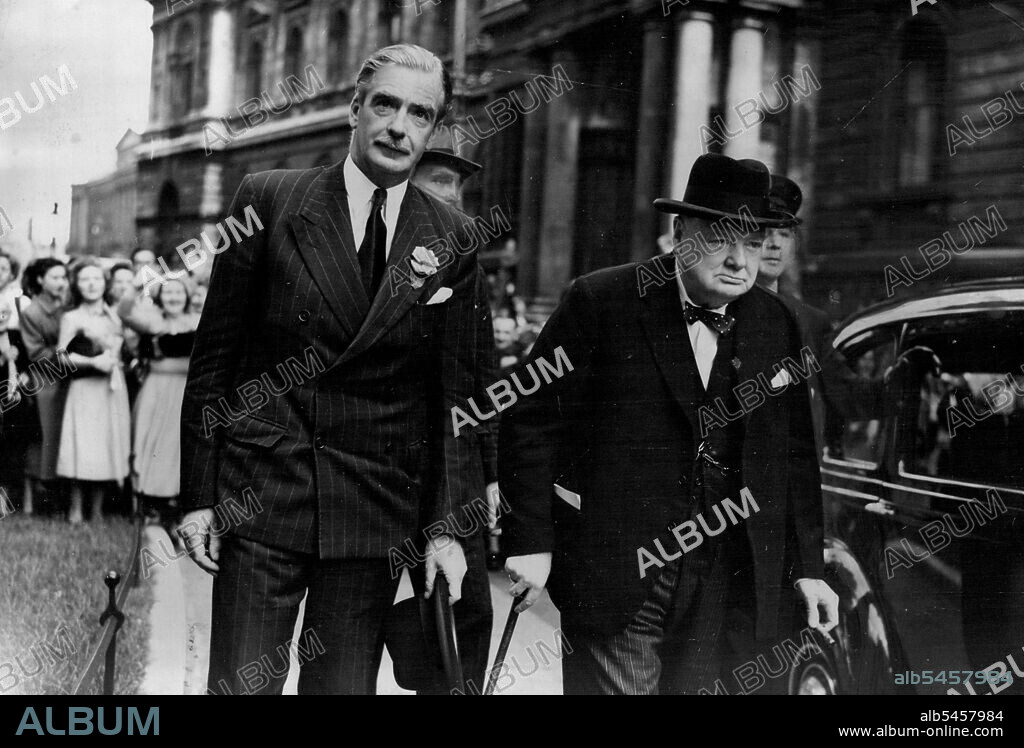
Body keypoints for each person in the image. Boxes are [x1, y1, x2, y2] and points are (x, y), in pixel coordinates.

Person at [179, 43, 488, 695]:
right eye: (385, 105)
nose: (399, 127)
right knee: (242, 684)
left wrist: (446, 528)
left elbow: (457, 403)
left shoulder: (454, 237)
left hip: (374, 512)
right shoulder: (270, 198)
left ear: (435, 128)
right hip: (263, 492)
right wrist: (201, 498)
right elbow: (215, 359)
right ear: (355, 108)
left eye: (420, 114)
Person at [499, 153, 839, 694]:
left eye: (753, 243)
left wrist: (808, 567)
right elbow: (529, 422)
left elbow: (794, 455)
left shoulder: (777, 324)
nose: (737, 259)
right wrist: (530, 540)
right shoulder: (601, 300)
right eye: (721, 237)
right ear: (680, 232)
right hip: (619, 571)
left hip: (727, 579)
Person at [409, 138, 495, 693]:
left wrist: (490, 473)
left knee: (465, 622)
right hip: (380, 471)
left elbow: (484, 380)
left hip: (455, 466)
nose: (452, 200)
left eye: (457, 188)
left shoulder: (469, 273)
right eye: (438, 183)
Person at [119, 276, 199, 536]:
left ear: (187, 296)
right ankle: (147, 505)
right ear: (160, 296)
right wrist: (141, 281)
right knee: (150, 443)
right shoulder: (152, 320)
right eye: (168, 293)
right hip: (156, 388)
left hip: (185, 391)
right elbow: (124, 312)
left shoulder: (198, 321)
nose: (174, 298)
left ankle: (176, 507)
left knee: (178, 447)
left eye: (179, 292)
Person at [56, 260, 131, 523]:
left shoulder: (114, 315)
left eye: (97, 279)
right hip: (85, 386)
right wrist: (91, 361)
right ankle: (76, 509)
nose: (91, 284)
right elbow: (61, 357)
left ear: (105, 283)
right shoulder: (72, 317)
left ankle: (97, 510)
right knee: (82, 443)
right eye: (85, 279)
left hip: (110, 386)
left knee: (104, 443)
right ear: (76, 284)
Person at [19, 259, 69, 512]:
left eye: (63, 277)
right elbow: (35, 352)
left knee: (63, 436)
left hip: (66, 376)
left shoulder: (67, 306)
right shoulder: (32, 312)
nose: (61, 282)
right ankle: (30, 500)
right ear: (40, 280)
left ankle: (57, 498)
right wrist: (68, 356)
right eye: (55, 277)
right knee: (42, 437)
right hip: (45, 380)